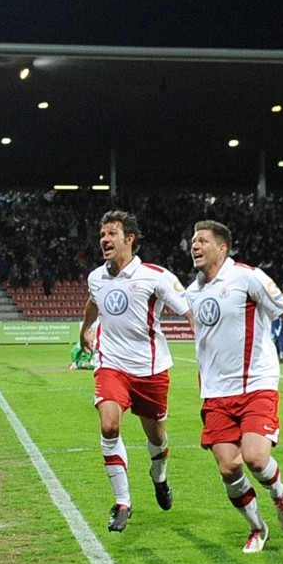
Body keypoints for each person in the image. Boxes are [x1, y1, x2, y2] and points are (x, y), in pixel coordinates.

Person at [185, 220, 283, 554]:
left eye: (202, 240)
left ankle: (279, 494)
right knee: (228, 468)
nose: (195, 246)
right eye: (193, 241)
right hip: (216, 394)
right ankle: (257, 528)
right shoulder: (192, 292)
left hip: (256, 385)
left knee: (256, 459)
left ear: (222, 248)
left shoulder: (248, 277)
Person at [80, 210, 194, 533]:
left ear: (129, 239)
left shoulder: (156, 276)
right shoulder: (96, 277)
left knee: (156, 438)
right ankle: (122, 503)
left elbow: (189, 311)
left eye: (111, 234)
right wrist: (84, 329)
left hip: (150, 371)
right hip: (111, 365)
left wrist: (208, 344)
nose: (104, 240)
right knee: (109, 425)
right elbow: (93, 302)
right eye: (102, 235)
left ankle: (159, 477)